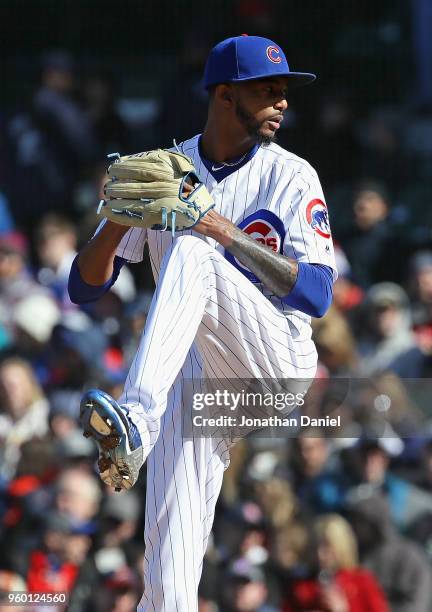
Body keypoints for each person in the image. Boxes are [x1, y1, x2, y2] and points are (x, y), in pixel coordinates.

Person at [69, 35, 337, 610]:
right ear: (223, 94)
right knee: (166, 582)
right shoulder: (169, 169)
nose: (281, 100)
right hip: (200, 387)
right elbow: (84, 286)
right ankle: (139, 429)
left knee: (193, 253)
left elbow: (318, 294)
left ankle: (136, 419)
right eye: (267, 89)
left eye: (284, 90)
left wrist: (219, 229)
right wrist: (118, 220)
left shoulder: (291, 175)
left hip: (275, 363)